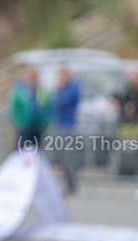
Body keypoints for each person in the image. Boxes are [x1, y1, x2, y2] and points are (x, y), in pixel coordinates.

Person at [52, 64, 80, 195]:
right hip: (59, 125)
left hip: (69, 127)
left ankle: (72, 185)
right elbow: (53, 104)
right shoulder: (62, 88)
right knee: (61, 158)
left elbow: (60, 102)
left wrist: (61, 88)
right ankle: (67, 184)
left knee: (69, 157)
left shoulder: (72, 87)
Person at [8, 65, 51, 152]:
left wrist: (44, 123)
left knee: (36, 151)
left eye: (36, 75)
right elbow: (14, 108)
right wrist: (20, 122)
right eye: (32, 75)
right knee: (22, 151)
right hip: (24, 127)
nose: (34, 78)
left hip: (38, 127)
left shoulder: (41, 90)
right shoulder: (20, 89)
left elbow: (47, 107)